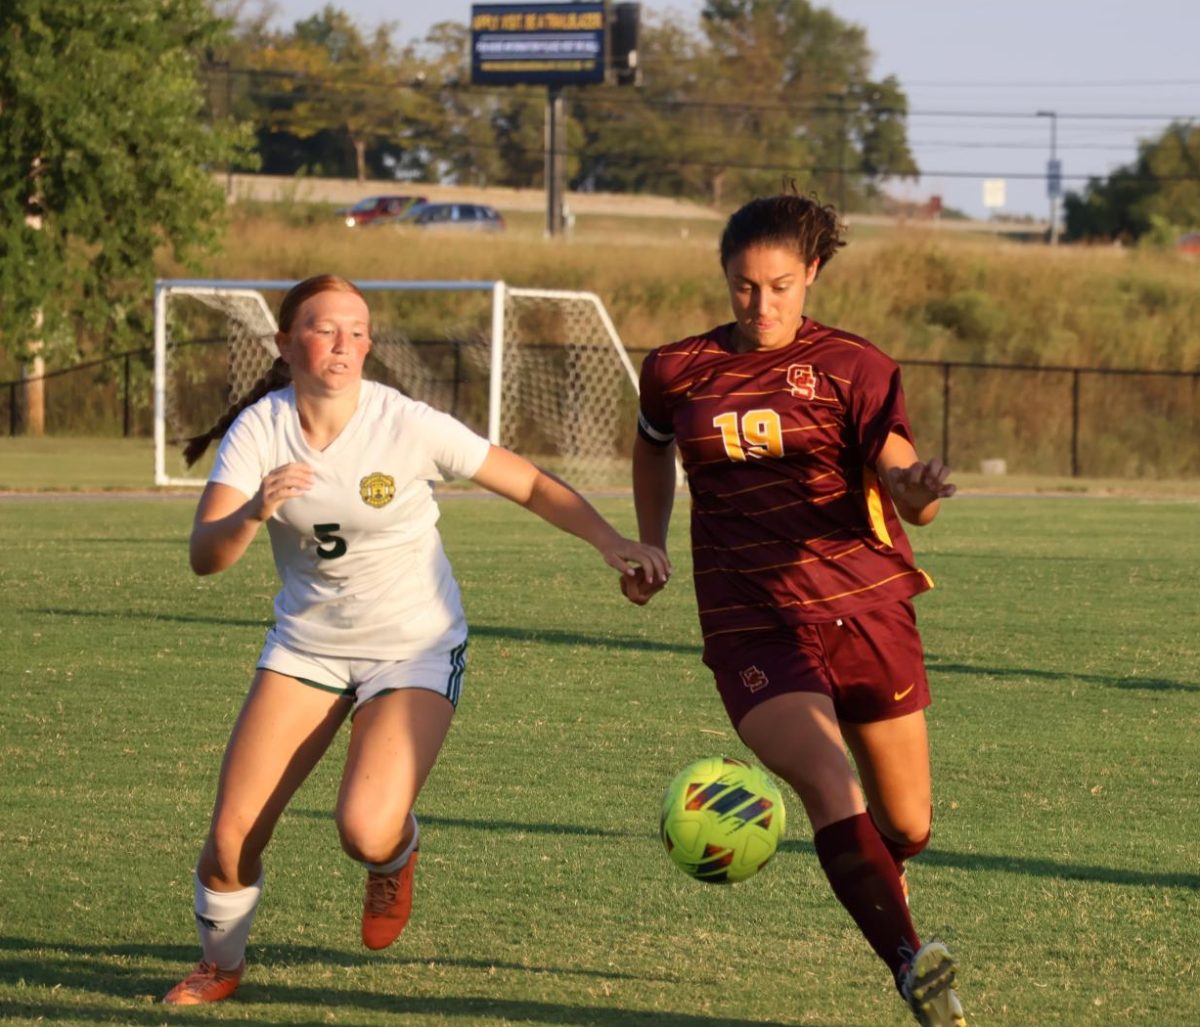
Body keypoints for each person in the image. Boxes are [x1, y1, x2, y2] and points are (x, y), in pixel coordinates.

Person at [162, 273, 670, 1005]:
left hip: (414, 645)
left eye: (358, 329)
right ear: (284, 342)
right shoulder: (259, 430)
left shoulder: (403, 422)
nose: (344, 343)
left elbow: (525, 481)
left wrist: (609, 540)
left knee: (365, 830)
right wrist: (251, 512)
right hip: (307, 648)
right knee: (231, 841)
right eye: (324, 327)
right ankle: (221, 964)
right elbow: (204, 556)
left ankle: (395, 855)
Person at [621, 193, 964, 1027]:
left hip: (867, 607)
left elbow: (903, 480)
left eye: (779, 285)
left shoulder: (856, 367)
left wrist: (916, 493)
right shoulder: (676, 367)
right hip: (749, 617)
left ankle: (888, 870)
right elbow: (651, 442)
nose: (762, 305)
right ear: (725, 277)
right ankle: (914, 964)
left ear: (811, 273)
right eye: (744, 287)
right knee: (826, 779)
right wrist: (649, 539)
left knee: (907, 821)